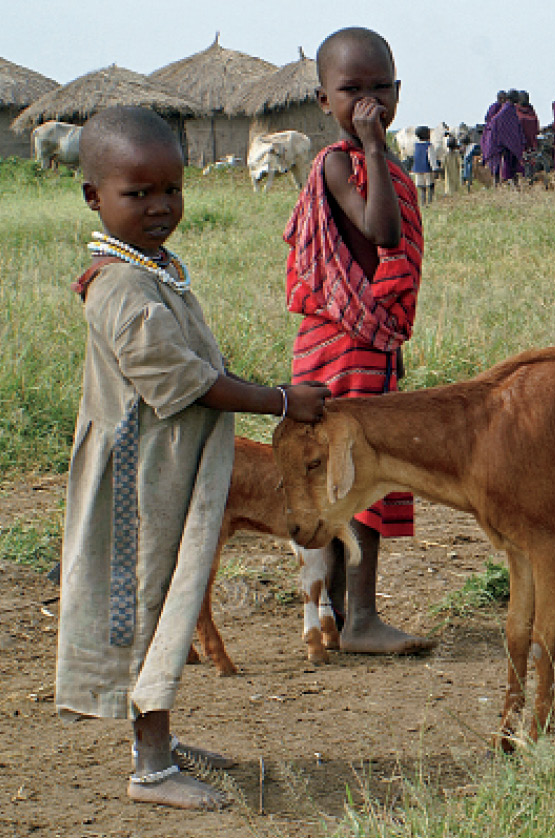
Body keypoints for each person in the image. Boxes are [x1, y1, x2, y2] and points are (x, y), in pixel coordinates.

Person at [57, 105, 330, 810]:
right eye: (137, 193)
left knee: (171, 601)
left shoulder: (152, 268)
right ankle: (150, 769)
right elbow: (188, 382)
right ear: (94, 197)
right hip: (138, 483)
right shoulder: (121, 289)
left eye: (170, 190)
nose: (160, 207)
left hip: (166, 471)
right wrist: (279, 400)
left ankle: (161, 743)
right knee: (150, 609)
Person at [285, 27, 435, 656]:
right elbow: (381, 230)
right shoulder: (343, 162)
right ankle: (362, 618)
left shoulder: (378, 161)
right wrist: (374, 148)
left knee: (347, 477)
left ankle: (342, 615)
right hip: (347, 342)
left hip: (361, 340)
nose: (368, 102)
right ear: (324, 100)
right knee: (358, 477)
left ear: (399, 91)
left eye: (381, 88)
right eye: (352, 90)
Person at [479, 90, 524, 184]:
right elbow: (502, 125)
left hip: (504, 141)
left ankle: (513, 186)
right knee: (497, 167)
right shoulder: (507, 110)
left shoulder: (510, 108)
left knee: (511, 165)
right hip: (498, 141)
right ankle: (499, 186)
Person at [514, 91, 540, 177]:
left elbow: (535, 123)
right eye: (523, 98)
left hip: (531, 141)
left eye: (527, 98)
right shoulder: (515, 110)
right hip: (519, 141)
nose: (525, 100)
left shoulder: (531, 110)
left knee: (531, 161)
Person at [410, 125, 435, 206]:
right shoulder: (429, 145)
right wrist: (435, 167)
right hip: (427, 168)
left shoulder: (416, 145)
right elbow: (431, 157)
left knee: (422, 187)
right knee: (430, 185)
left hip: (418, 169)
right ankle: (430, 201)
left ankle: (422, 202)